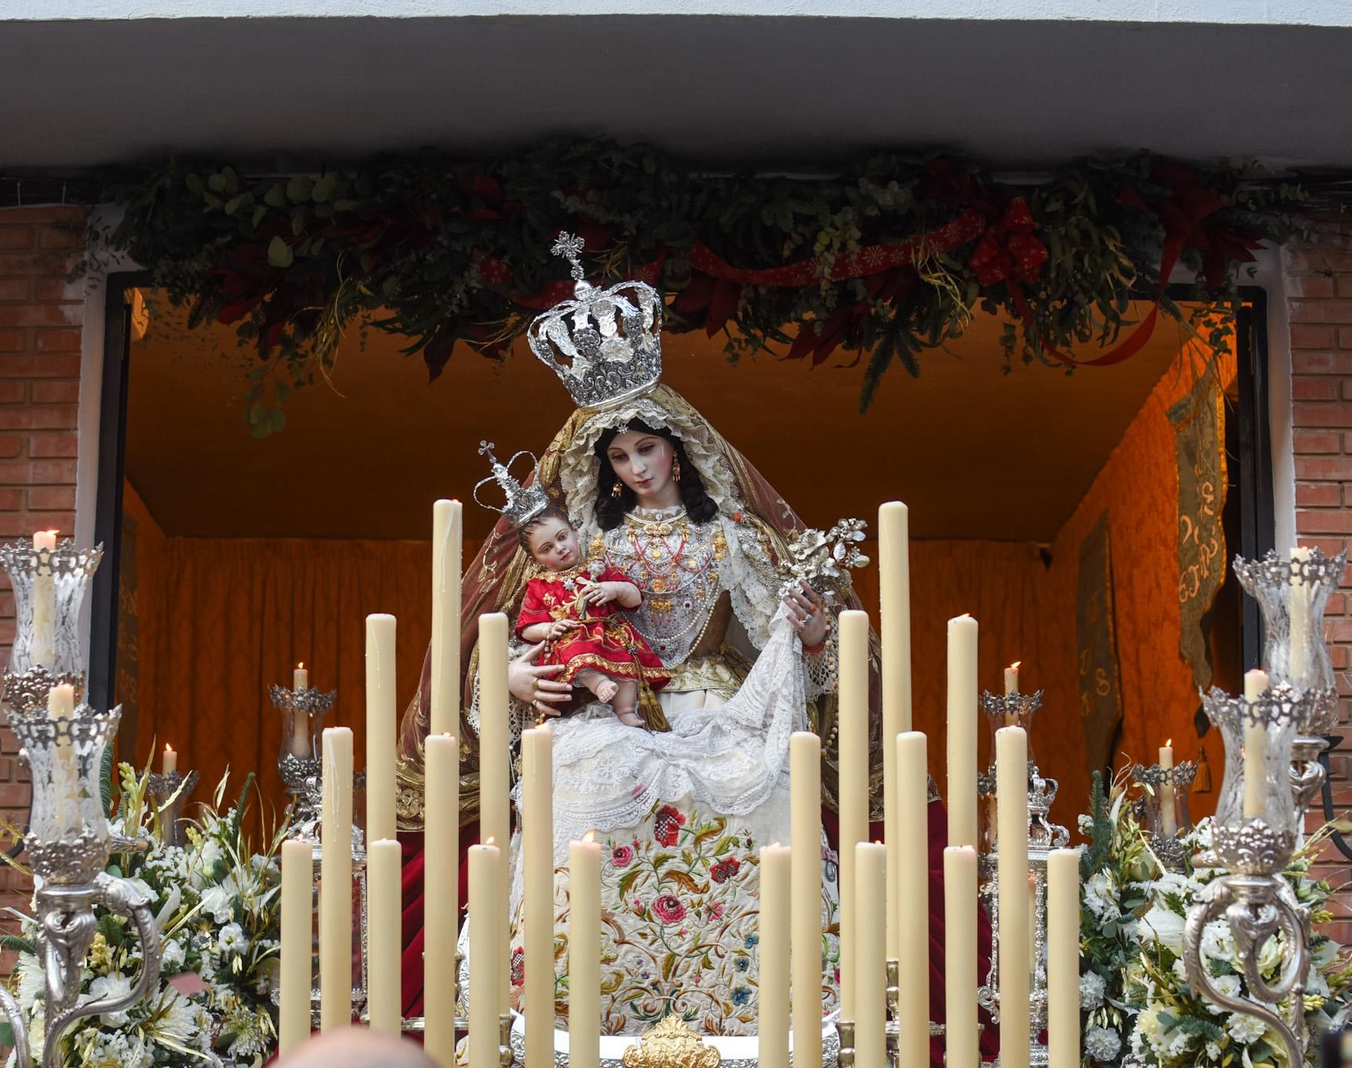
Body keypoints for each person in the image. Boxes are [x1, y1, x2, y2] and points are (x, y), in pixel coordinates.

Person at [392, 236, 989, 1059]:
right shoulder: (579, 542)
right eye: (620, 456)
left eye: (646, 449)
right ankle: (566, 1005)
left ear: (676, 446)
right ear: (602, 466)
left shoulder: (731, 536)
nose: (636, 467)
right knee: (564, 771)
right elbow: (503, 635)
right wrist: (516, 675)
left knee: (771, 776)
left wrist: (812, 632)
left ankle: (758, 1002)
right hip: (608, 699)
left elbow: (791, 649)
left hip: (710, 696)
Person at [512, 503, 670, 728]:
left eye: (562, 537)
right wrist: (548, 629)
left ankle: (626, 710)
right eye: (547, 548)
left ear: (575, 532)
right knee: (576, 654)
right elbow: (526, 627)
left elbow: (635, 598)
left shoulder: (598, 568)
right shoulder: (539, 586)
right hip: (572, 639)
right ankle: (597, 683)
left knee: (626, 667)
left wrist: (613, 589)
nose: (559, 548)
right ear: (535, 560)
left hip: (610, 634)